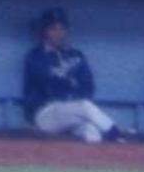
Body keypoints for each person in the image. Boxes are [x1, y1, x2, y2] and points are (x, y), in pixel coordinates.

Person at [22, 8, 124, 144]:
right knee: (84, 106)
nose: (59, 33)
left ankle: (90, 164)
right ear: (44, 32)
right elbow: (46, 86)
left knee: (91, 129)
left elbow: (88, 86)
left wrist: (65, 82)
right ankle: (117, 135)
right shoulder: (35, 57)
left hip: (72, 113)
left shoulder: (76, 55)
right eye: (53, 29)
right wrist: (69, 82)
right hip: (44, 114)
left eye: (62, 29)